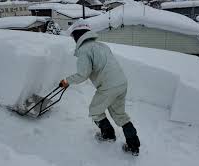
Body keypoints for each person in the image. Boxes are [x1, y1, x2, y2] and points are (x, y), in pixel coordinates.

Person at [59, 19, 140, 155]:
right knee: (120, 115)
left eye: (73, 36)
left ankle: (108, 135)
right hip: (121, 82)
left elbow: (82, 74)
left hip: (109, 86)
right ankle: (134, 146)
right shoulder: (101, 45)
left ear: (78, 35)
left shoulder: (84, 50)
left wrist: (66, 81)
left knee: (95, 111)